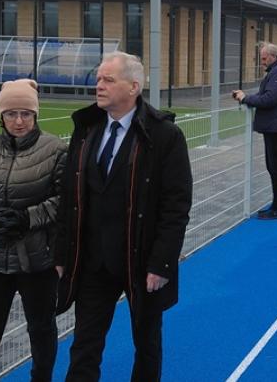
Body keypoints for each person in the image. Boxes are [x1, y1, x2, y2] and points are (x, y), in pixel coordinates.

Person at [53, 52, 192, 381]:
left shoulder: (164, 136)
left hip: (142, 262)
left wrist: (162, 263)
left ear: (133, 87)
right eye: (98, 79)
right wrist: (62, 252)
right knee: (84, 344)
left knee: (146, 344)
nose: (98, 86)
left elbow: (176, 206)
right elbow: (69, 196)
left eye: (108, 80)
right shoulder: (86, 130)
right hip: (92, 261)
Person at [0, 79, 66, 382]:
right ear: (1, 116)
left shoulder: (56, 150)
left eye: (26, 114)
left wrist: (27, 218)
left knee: (42, 329)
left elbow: (65, 200)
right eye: (11, 114)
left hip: (37, 261)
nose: (19, 121)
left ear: (36, 115)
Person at [232, 43, 277, 219]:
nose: (262, 62)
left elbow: (270, 98)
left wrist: (246, 98)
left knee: (276, 167)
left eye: (264, 58)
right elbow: (268, 95)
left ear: (273, 57)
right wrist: (248, 97)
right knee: (274, 166)